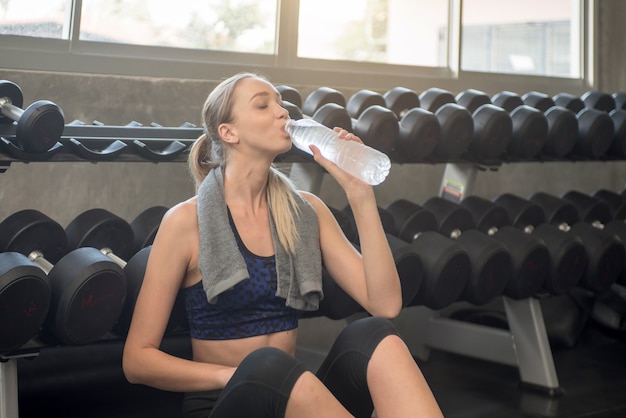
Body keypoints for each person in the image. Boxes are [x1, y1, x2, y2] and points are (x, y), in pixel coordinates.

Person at [122, 72, 443, 418]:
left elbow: (386, 303)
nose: (282, 113)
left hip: (293, 399)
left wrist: (361, 195)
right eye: (263, 105)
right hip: (227, 401)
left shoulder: (305, 211)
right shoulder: (186, 222)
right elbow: (137, 360)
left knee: (377, 335)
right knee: (268, 366)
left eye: (280, 103)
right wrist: (237, 375)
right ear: (229, 133)